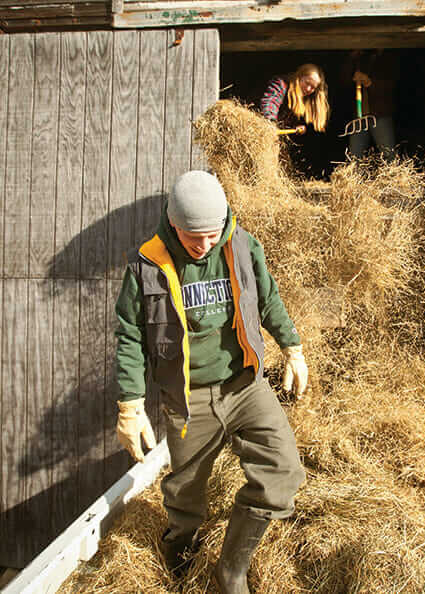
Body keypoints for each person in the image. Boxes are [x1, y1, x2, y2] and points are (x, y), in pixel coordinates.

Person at [114, 170, 308, 593]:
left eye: (212, 234)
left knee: (283, 473)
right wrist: (129, 404)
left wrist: (291, 346)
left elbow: (268, 296)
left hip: (245, 385)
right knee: (185, 497)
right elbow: (129, 335)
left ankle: (231, 568)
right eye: (193, 237)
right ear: (173, 225)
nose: (204, 245)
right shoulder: (146, 264)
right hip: (189, 399)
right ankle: (180, 560)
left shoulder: (240, 244)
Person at [341, 49, 399, 161]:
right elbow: (344, 80)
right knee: (354, 156)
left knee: (388, 154)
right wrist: (351, 59)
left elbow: (391, 86)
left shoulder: (389, 59)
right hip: (359, 115)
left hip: (380, 114)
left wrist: (369, 82)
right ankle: (353, 177)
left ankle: (393, 177)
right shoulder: (361, 58)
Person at [259, 63, 330, 135]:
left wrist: (296, 127)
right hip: (261, 127)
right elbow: (271, 102)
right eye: (307, 83)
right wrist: (270, 121)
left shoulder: (306, 100)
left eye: (313, 87)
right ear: (299, 77)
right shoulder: (281, 85)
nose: (308, 89)